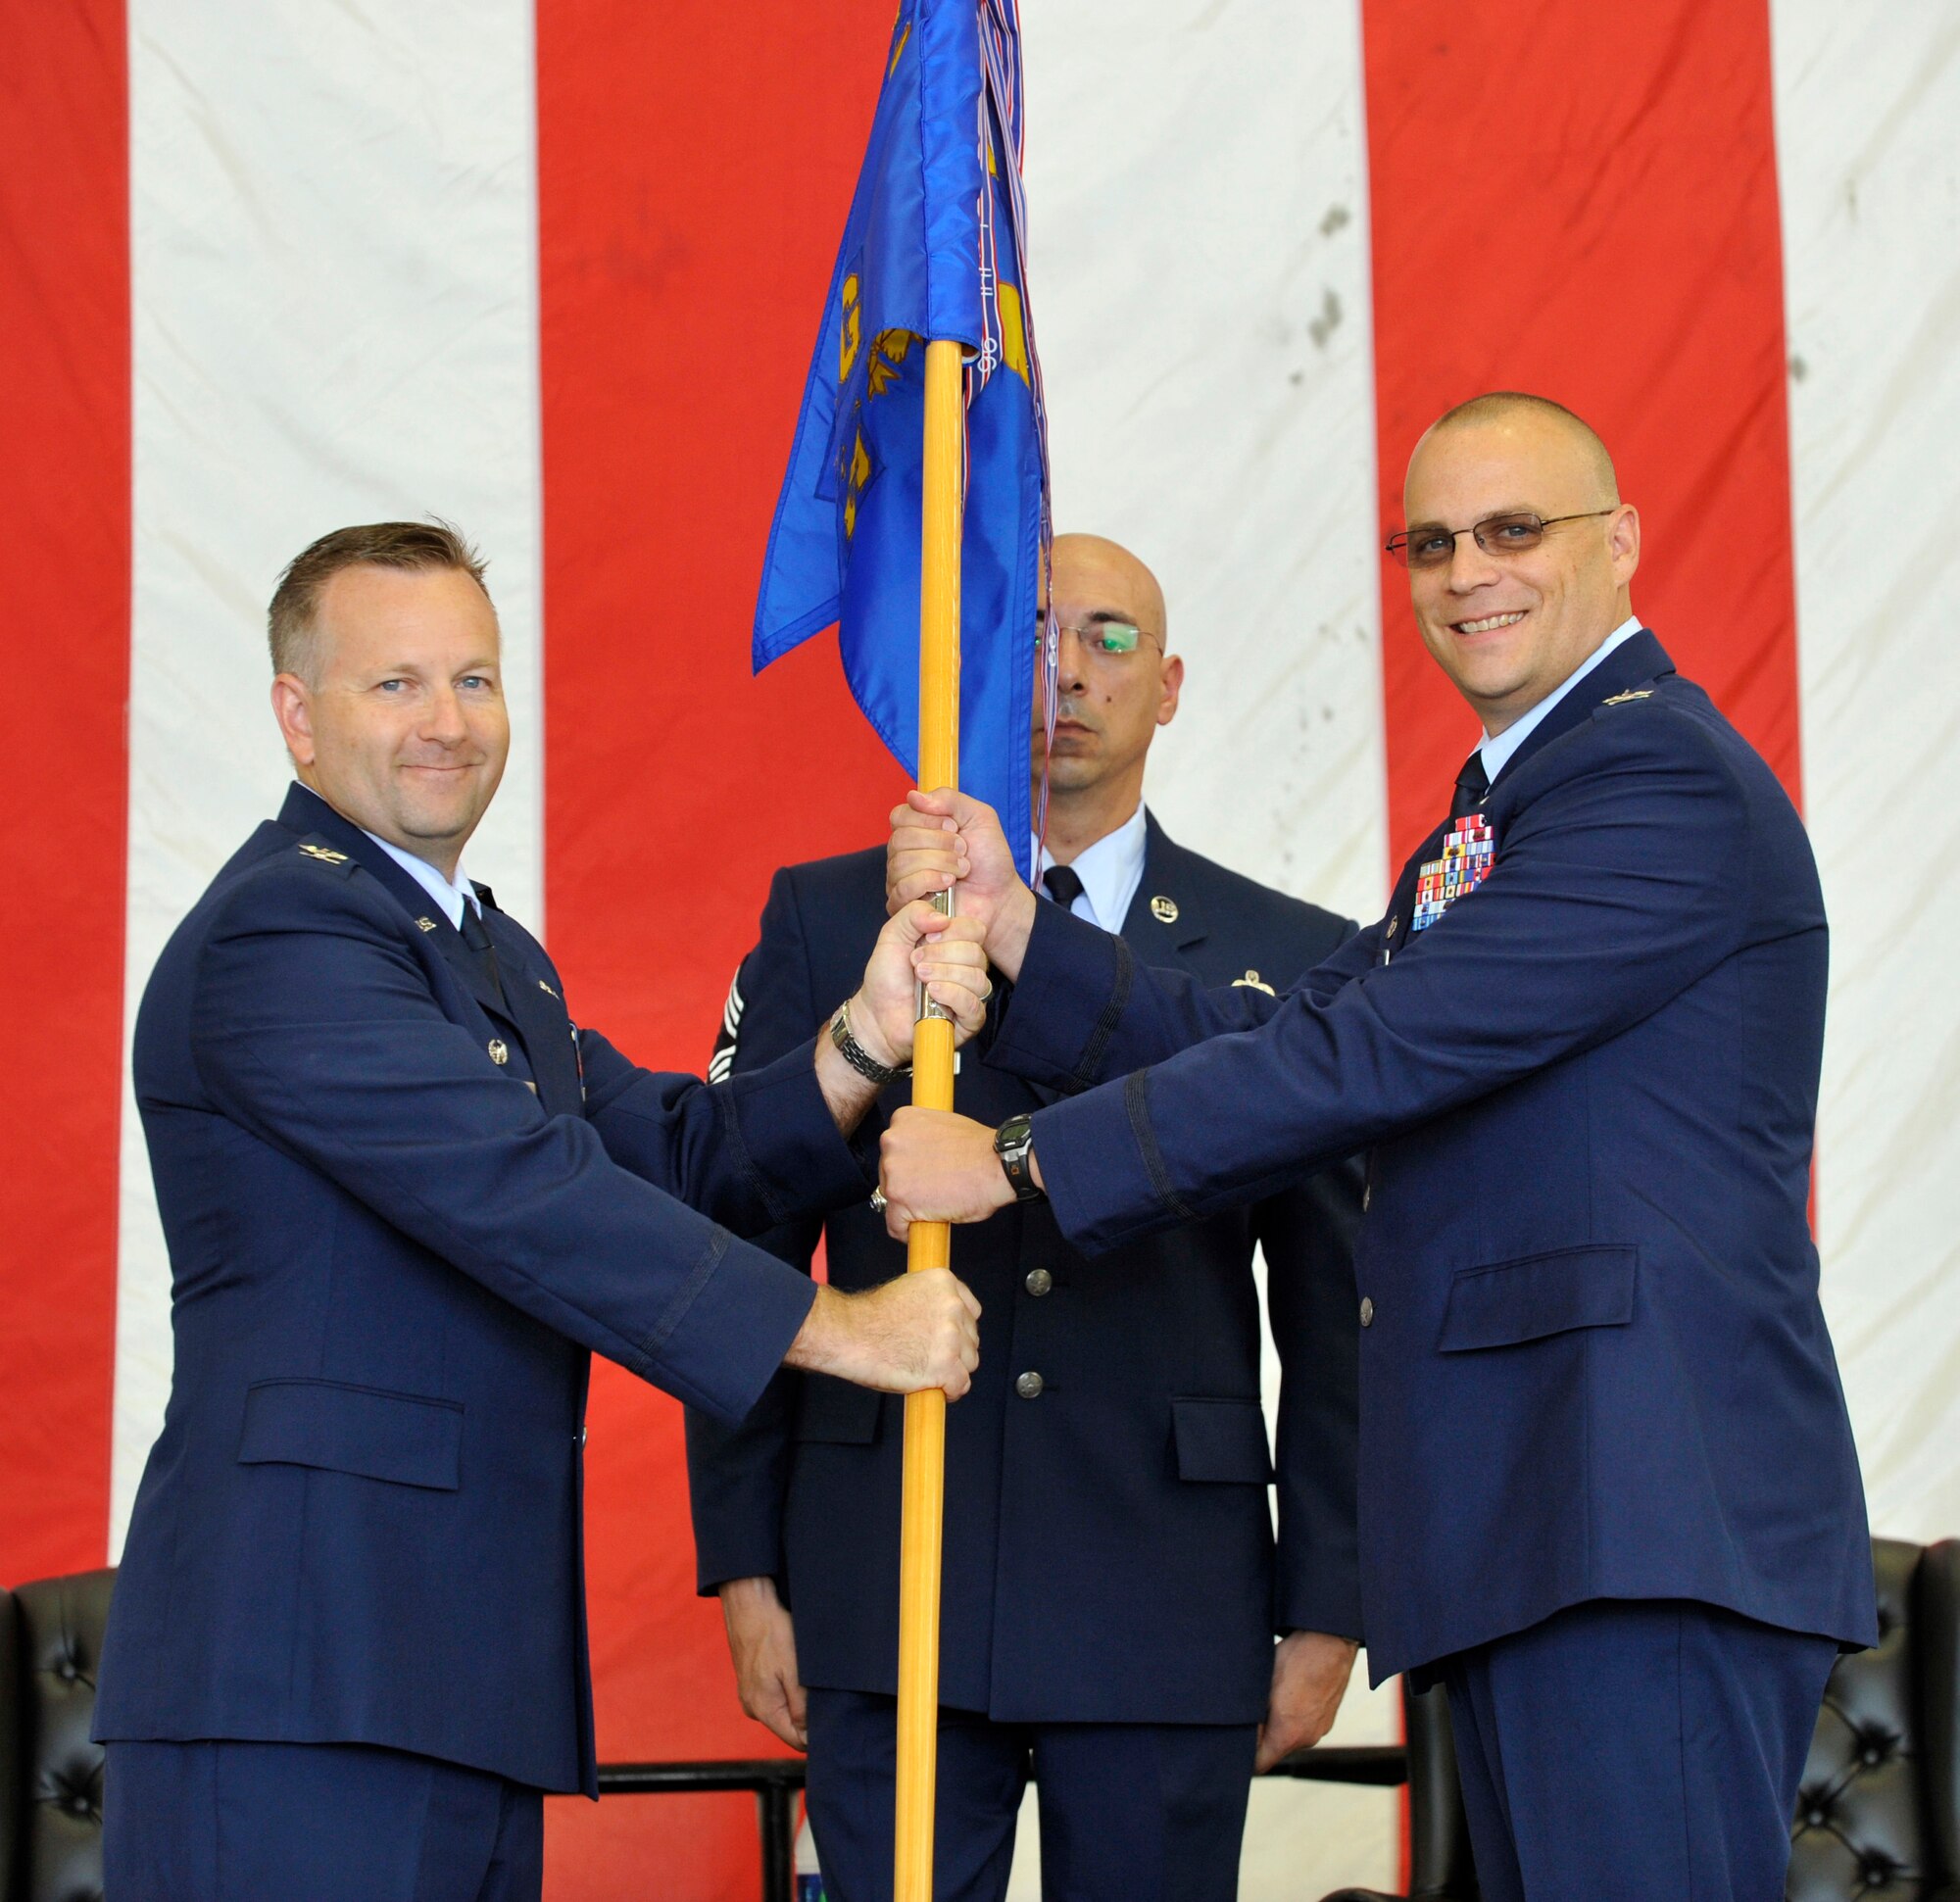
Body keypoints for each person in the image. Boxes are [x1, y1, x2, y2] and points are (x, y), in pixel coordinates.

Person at [878, 398, 1878, 1902]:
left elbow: (1364, 1059)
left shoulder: (1651, 780)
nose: (1467, 569)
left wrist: (1015, 1157)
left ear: (1619, 543)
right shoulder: (1510, 803)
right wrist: (1027, 935)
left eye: (1512, 529)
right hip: (1545, 1515)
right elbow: (1282, 1021)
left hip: (1639, 1509)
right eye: (1431, 542)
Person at [95, 521, 995, 1902]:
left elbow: (680, 1154)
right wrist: (843, 1329)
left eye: (474, 679)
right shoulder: (280, 935)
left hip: (455, 1683)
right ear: (297, 715)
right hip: (298, 1680)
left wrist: (865, 1037)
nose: (446, 722)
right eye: (394, 684)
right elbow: (530, 1198)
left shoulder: (487, 955)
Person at [687, 533, 1364, 1902]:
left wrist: (1331, 1597)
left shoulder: (1280, 952)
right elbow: (744, 1225)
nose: (1068, 667)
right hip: (888, 1562)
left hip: (1165, 1572)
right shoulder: (831, 918)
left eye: (1110, 638)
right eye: (1037, 630)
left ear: (1169, 687)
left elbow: (1337, 1307)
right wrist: (746, 1561)